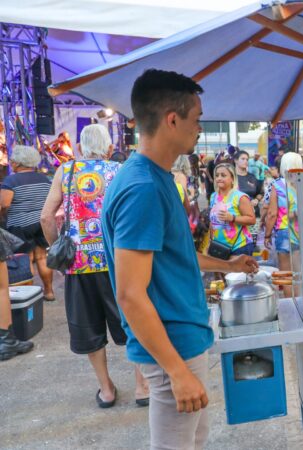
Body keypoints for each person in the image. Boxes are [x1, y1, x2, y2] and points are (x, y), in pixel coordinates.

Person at [102, 69, 257, 449]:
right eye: (197, 118)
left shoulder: (157, 178)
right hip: (172, 346)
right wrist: (176, 371)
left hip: (184, 338)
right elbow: (130, 294)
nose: (200, 128)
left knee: (194, 440)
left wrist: (229, 265)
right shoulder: (142, 188)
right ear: (173, 119)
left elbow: (174, 258)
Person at [40, 124, 149, 408]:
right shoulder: (121, 171)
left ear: (79, 148)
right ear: (110, 148)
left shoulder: (67, 171)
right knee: (133, 323)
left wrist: (56, 249)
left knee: (89, 329)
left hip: (78, 265)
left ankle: (107, 390)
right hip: (119, 263)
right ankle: (142, 386)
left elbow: (46, 218)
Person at [0, 145, 54, 301]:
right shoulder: (44, 179)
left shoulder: (11, 180)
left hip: (19, 225)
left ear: (18, 162)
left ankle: (28, 295)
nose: (10, 162)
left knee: (26, 258)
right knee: (42, 257)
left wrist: (3, 216)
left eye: (12, 160)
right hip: (41, 223)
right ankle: (49, 292)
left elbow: (4, 204)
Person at [264, 152, 303, 294]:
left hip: (284, 231)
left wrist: (267, 235)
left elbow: (272, 214)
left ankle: (291, 304)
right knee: (300, 270)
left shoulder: (277, 185)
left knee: (286, 273)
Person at [209, 163, 257, 257]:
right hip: (219, 246)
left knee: (236, 272)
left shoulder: (240, 197)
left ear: (232, 179)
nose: (219, 178)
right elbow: (212, 221)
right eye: (217, 175)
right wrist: (211, 239)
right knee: (220, 271)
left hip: (239, 246)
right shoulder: (213, 196)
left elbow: (252, 219)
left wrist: (233, 218)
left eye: (223, 175)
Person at [233, 150, 263, 219]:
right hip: (237, 215)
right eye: (243, 159)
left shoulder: (252, 177)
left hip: (254, 214)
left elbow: (260, 193)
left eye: (247, 159)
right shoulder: (231, 177)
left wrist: (256, 200)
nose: (246, 161)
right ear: (236, 160)